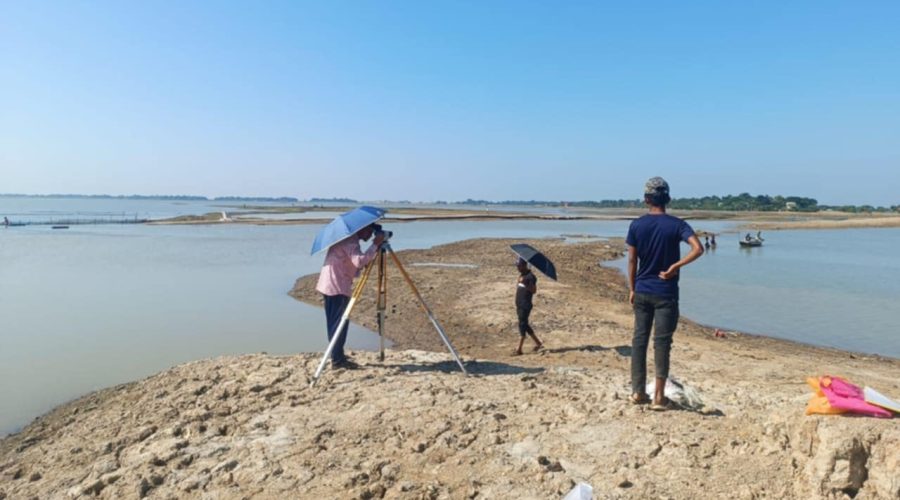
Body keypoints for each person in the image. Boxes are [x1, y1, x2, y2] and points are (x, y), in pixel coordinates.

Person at [626, 177, 704, 410]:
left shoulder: (637, 225)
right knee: (662, 343)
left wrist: (631, 288)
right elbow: (698, 249)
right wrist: (675, 267)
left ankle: (638, 392)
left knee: (639, 341)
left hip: (642, 290)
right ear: (667, 199)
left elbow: (632, 259)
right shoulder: (677, 224)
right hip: (665, 293)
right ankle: (659, 397)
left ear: (646, 199)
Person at [315, 223, 385, 369]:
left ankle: (337, 355)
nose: (370, 236)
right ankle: (338, 360)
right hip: (336, 286)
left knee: (336, 323)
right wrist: (375, 245)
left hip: (332, 284)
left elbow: (355, 264)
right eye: (370, 232)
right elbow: (359, 261)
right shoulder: (350, 242)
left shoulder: (348, 240)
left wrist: (373, 249)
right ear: (362, 228)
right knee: (339, 324)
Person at [514, 257, 543, 355]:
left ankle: (519, 349)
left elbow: (534, 291)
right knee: (524, 324)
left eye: (519, 266)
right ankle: (538, 343)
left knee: (522, 324)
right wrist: (520, 281)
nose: (518, 268)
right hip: (519, 304)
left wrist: (525, 283)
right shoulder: (522, 275)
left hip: (525, 305)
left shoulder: (531, 277)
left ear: (524, 265)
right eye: (517, 266)